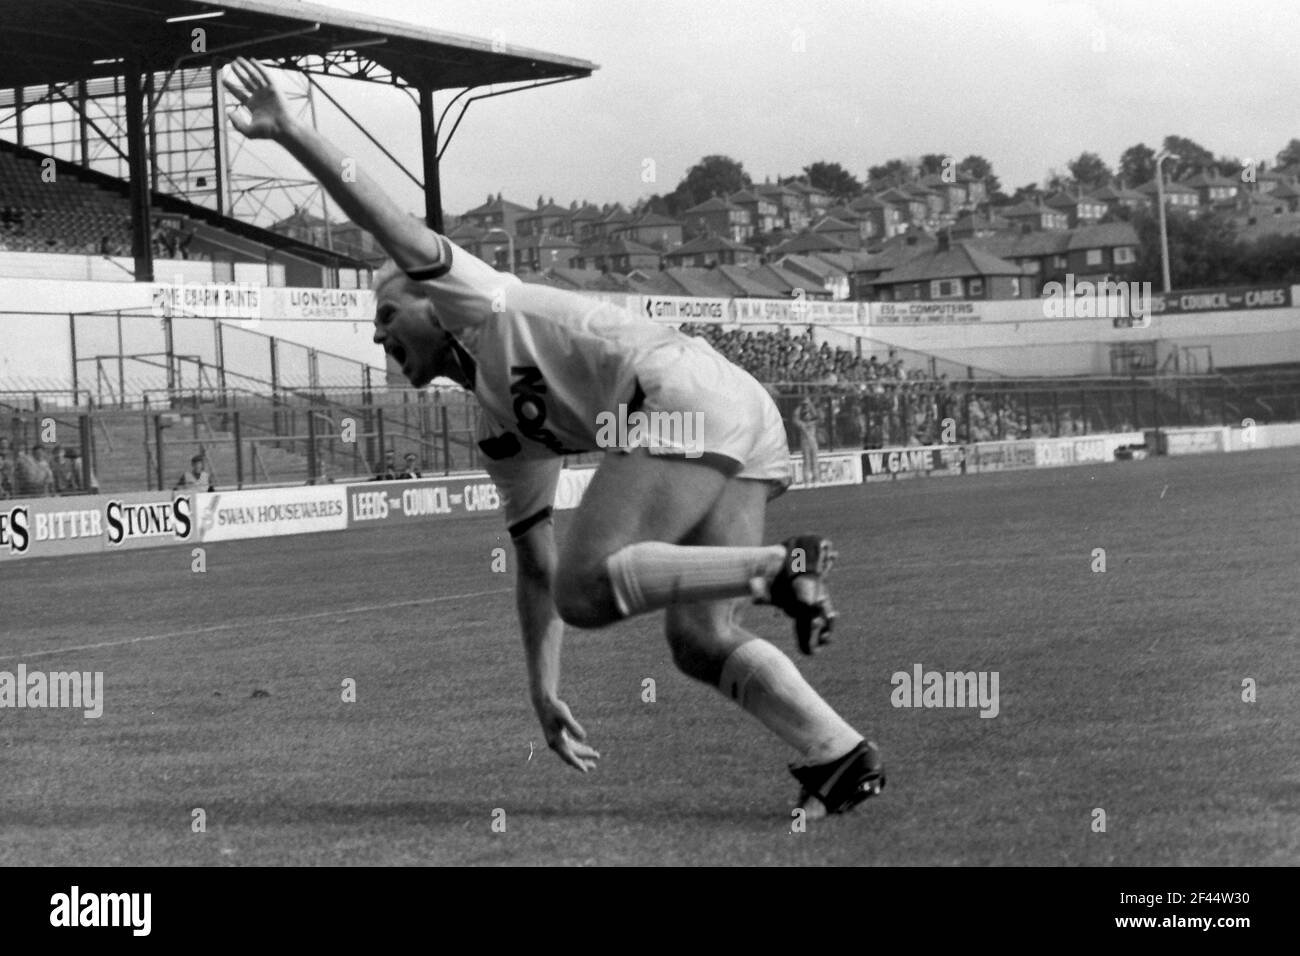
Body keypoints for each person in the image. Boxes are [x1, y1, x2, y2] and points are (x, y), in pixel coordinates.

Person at [223, 57, 883, 817]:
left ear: (432, 306)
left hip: (681, 392)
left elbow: (380, 215)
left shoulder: (476, 298)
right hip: (735, 409)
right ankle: (838, 752)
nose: (379, 338)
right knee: (698, 637)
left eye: (385, 316)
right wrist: (543, 692)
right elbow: (534, 569)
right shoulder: (499, 430)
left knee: (588, 585)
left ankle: (774, 567)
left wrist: (292, 130)